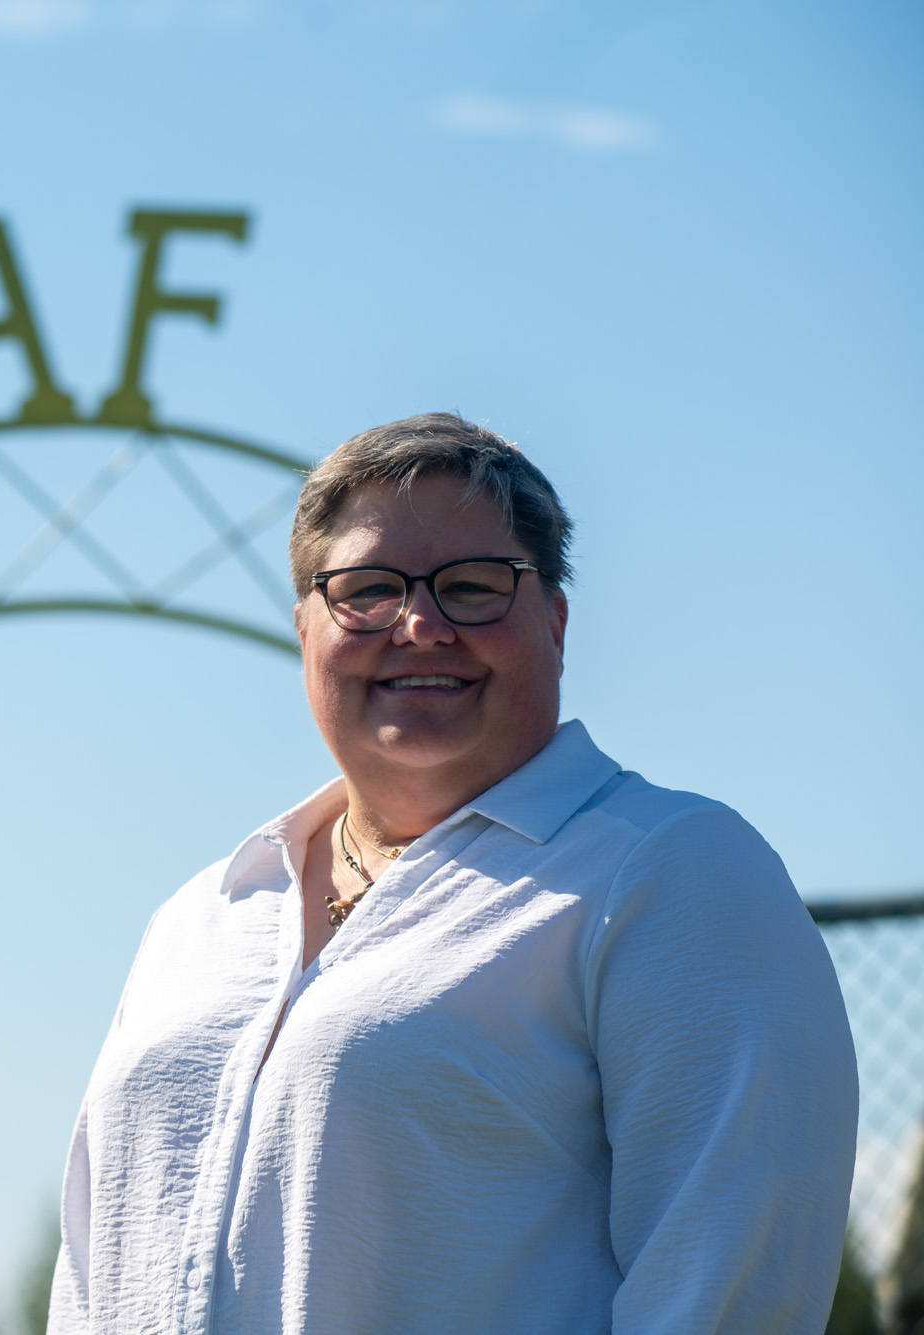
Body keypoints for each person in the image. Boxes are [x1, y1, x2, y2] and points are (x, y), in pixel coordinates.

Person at [46, 413, 857, 1334]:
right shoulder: (204, 916)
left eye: (474, 586)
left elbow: (730, 1293)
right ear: (305, 628)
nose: (420, 625)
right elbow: (87, 1273)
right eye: (367, 590)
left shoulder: (672, 870)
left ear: (555, 619)